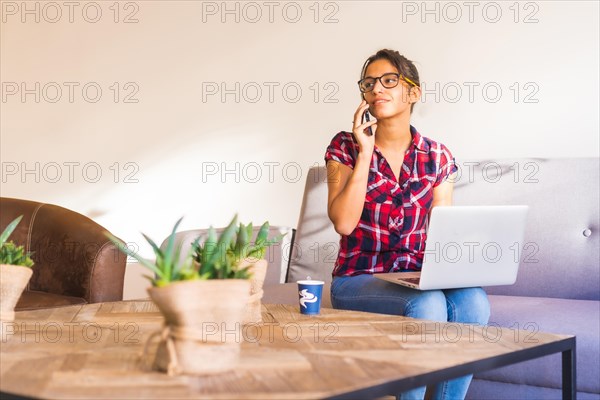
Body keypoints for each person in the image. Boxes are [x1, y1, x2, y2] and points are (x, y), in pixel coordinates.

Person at [324, 49, 491, 400]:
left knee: (474, 302)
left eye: (389, 81)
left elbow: (443, 232)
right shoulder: (344, 147)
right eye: (369, 84)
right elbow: (343, 222)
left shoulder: (438, 156)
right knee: (427, 305)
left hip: (415, 276)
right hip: (358, 279)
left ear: (413, 93)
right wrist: (366, 152)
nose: (377, 90)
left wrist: (451, 268)